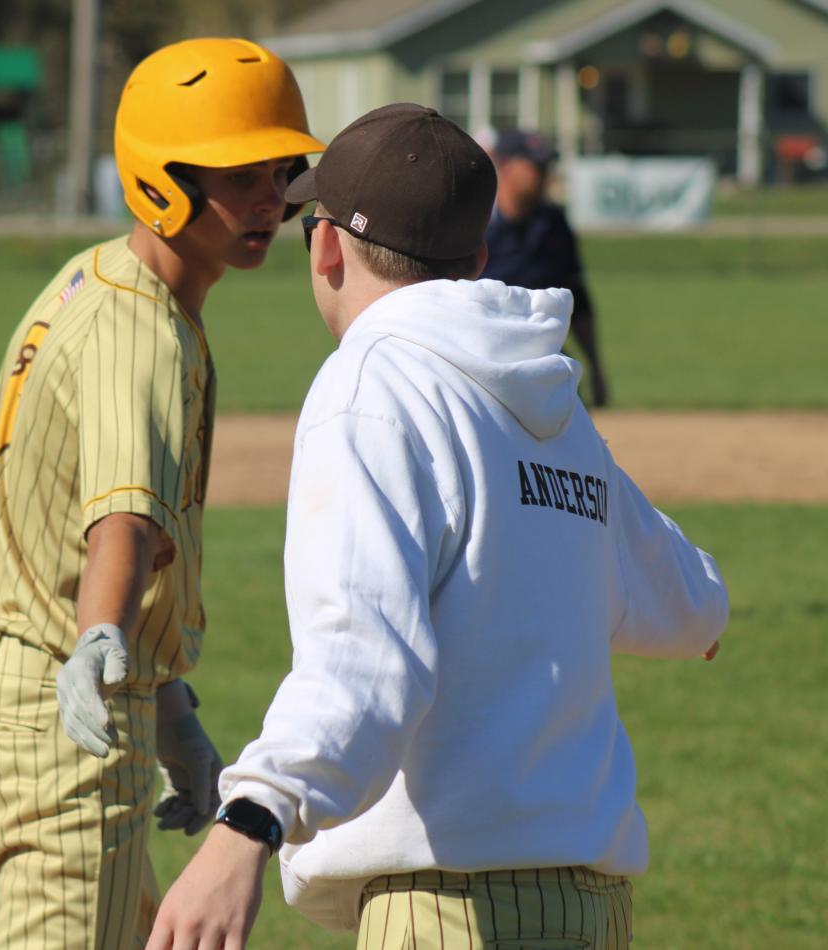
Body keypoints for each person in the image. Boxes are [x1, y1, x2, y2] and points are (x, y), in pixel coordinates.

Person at [145, 103, 728, 950]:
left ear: (329, 246)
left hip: (453, 913)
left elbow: (365, 657)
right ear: (477, 258)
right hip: (591, 911)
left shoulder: (370, 387)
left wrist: (250, 822)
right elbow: (692, 608)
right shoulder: (548, 402)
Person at [0, 37, 323, 949]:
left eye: (282, 167)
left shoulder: (98, 277)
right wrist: (101, 645)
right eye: (239, 174)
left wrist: (173, 712)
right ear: (161, 182)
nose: (271, 196)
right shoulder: (144, 332)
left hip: (9, 686)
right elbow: (121, 515)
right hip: (61, 704)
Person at [481, 128, 610, 407]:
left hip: (542, 351)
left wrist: (596, 368)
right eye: (532, 165)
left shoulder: (554, 225)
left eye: (545, 166)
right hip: (485, 352)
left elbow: (578, 298)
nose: (540, 175)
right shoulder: (476, 225)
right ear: (503, 164)